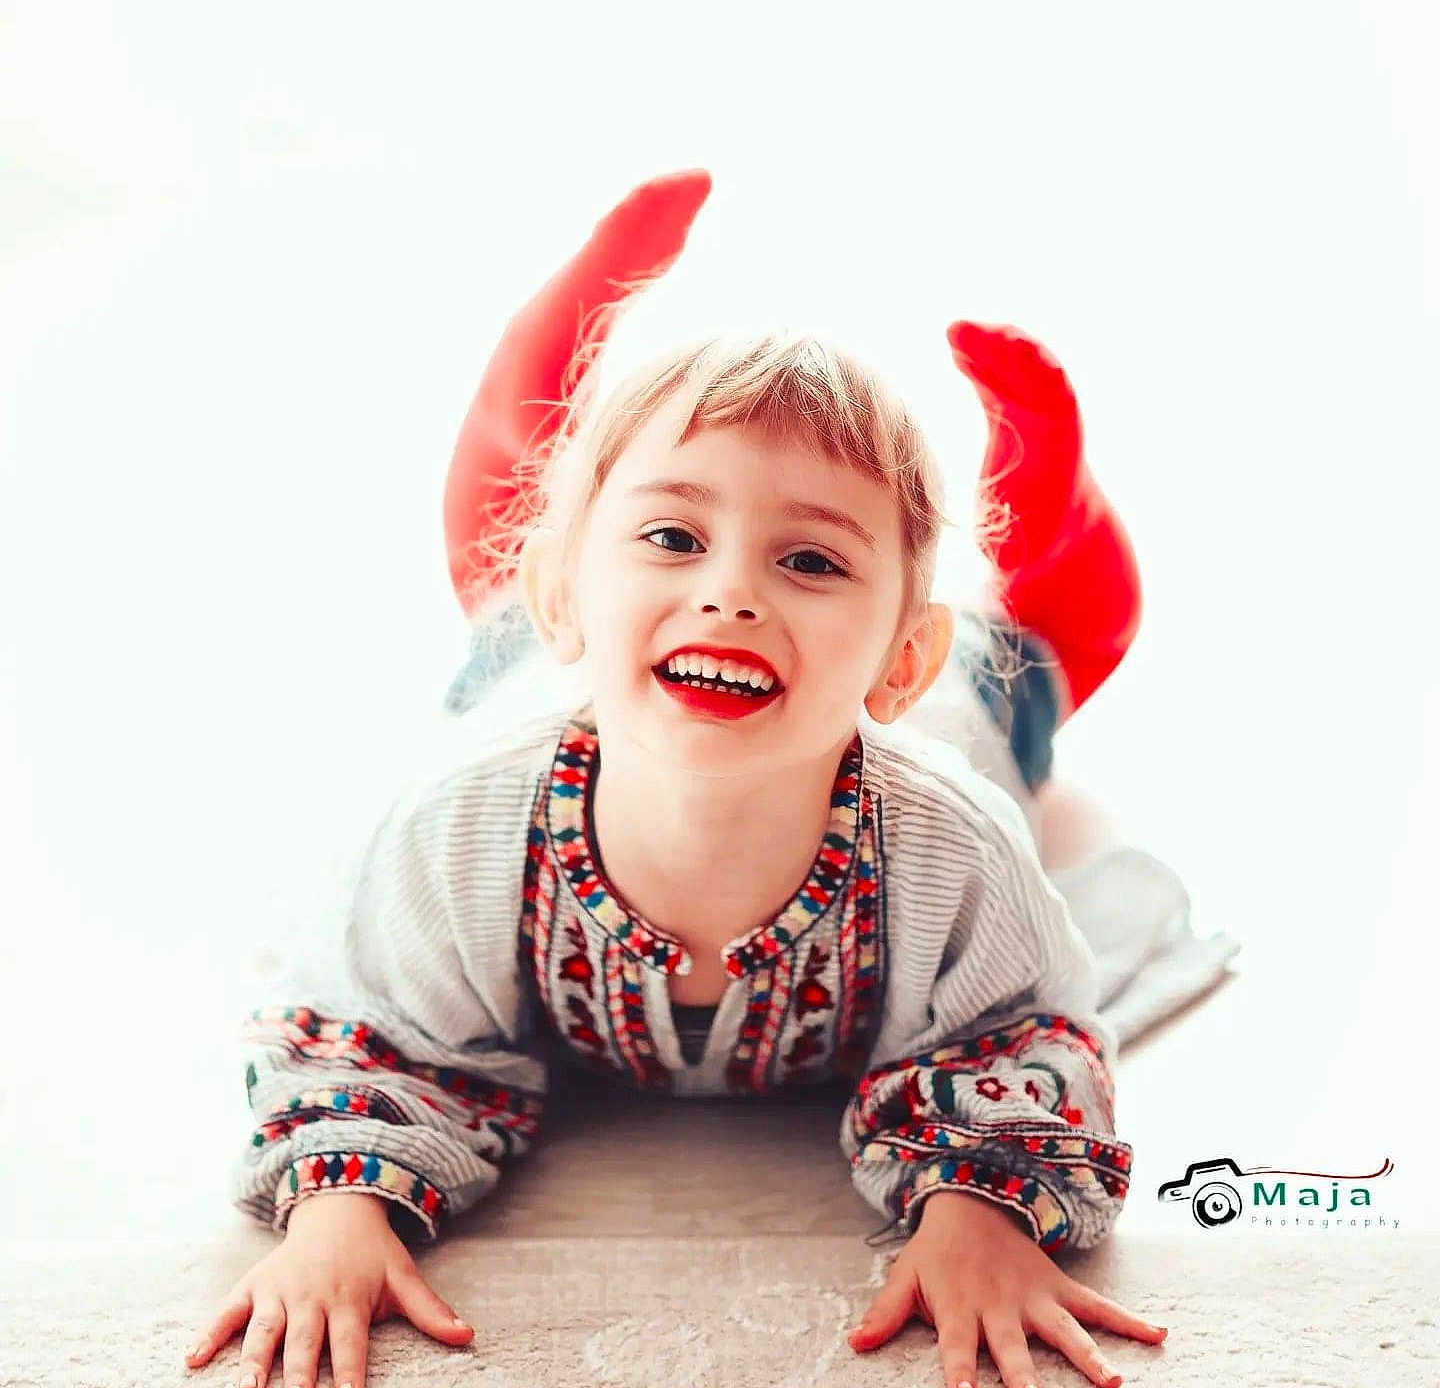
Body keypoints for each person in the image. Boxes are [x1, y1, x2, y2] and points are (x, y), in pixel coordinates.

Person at [186, 171, 1169, 1388]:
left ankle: (1044, 489)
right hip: (536, 665)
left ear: (894, 660)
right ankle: (566, 361)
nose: (734, 590)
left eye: (810, 557)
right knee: (502, 584)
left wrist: (979, 1207)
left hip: (956, 693)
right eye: (675, 535)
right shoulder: (460, 828)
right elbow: (366, 1029)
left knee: (1037, 661)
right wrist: (340, 1213)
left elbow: (1015, 1037)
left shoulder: (948, 839)